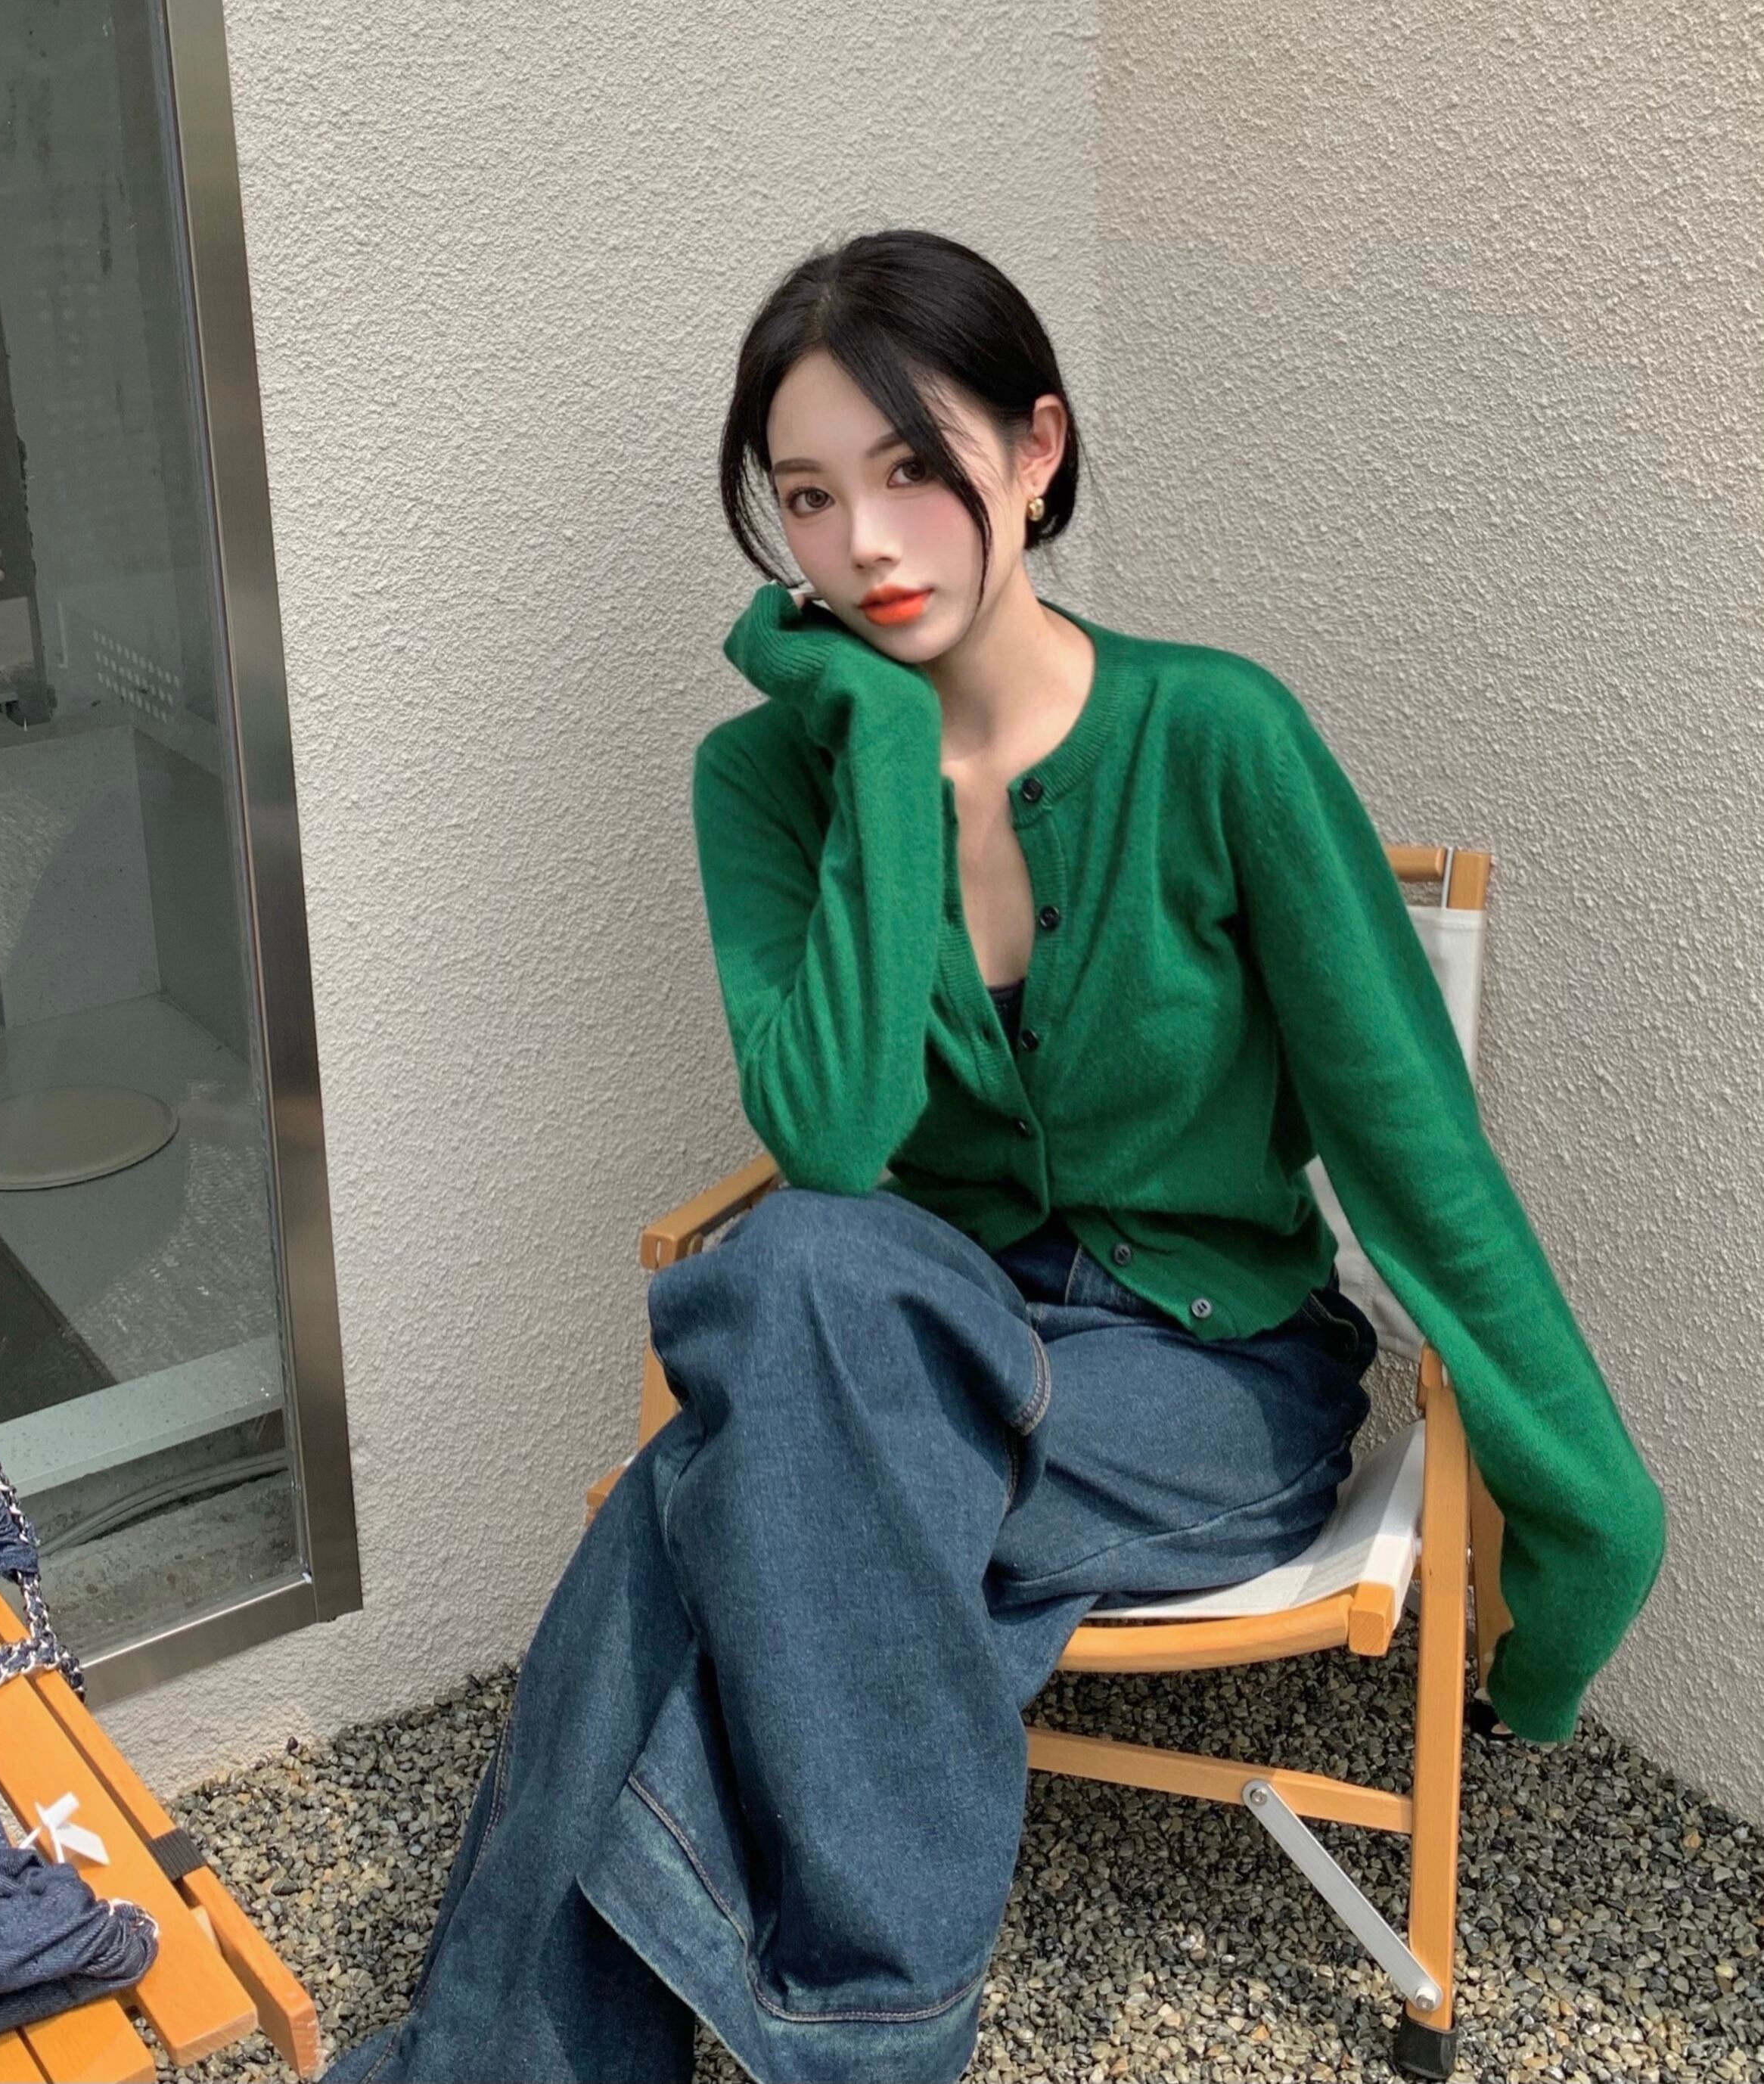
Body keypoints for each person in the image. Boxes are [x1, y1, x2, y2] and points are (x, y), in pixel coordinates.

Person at [323, 228, 1666, 2084]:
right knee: (796, 1263)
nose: (862, 543)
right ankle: (866, 2040)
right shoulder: (762, 781)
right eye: (807, 497)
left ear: (1034, 453)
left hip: (1204, 1379)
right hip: (917, 1336)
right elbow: (831, 1138)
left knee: (705, 1500)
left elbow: (1411, 1150)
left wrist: (1584, 1522)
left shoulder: (1216, 735)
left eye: (910, 469)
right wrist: (882, 745)